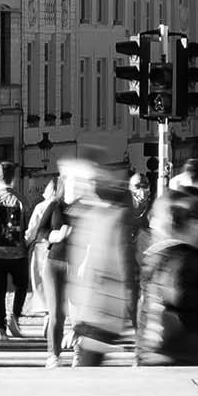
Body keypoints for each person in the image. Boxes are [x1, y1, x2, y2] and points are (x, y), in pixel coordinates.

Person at [143, 158, 198, 366]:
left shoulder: (168, 252)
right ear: (190, 224)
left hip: (178, 344)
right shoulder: (183, 256)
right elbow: (181, 294)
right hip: (183, 345)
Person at [62, 156, 139, 366]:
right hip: (105, 309)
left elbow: (96, 268)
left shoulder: (101, 219)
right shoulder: (108, 217)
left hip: (99, 310)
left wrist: (80, 323)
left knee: (89, 370)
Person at [26, 173, 72, 367]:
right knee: (57, 313)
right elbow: (40, 231)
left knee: (80, 312)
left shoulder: (85, 207)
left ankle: (79, 349)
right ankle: (54, 355)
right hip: (56, 262)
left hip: (80, 264)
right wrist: (55, 235)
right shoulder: (55, 206)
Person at [0, 161, 31, 342]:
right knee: (22, 286)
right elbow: (28, 227)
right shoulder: (21, 200)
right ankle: (15, 315)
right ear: (13, 179)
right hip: (18, 253)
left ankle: (0, 328)